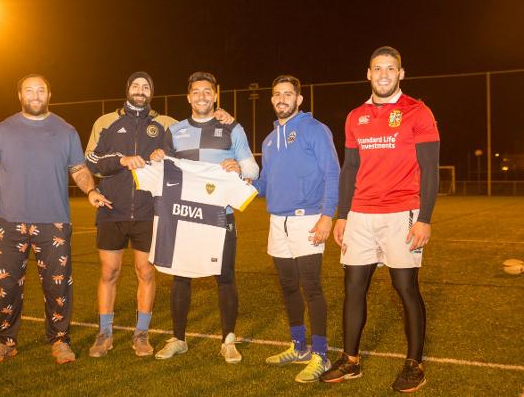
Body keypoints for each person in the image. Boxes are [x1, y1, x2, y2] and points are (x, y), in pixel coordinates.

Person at [84, 72, 235, 358]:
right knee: (108, 271)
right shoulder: (105, 122)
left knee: (146, 272)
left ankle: (141, 335)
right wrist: (120, 160)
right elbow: (90, 163)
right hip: (110, 208)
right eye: (135, 85)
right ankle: (104, 334)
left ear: (151, 92)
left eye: (146, 87)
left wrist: (221, 116)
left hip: (148, 210)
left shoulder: (166, 124)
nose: (140, 90)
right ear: (127, 89)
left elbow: (195, 129)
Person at [320, 46, 440, 393]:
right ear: (368, 74)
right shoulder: (355, 116)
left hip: (403, 213)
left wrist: (425, 218)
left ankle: (414, 365)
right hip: (360, 215)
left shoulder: (418, 112)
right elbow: (350, 169)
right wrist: (343, 215)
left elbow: (430, 170)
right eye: (378, 68)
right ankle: (351, 361)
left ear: (401, 74)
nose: (384, 74)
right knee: (353, 288)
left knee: (405, 288)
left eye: (391, 68)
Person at [0, 74, 109, 365]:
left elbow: (79, 169)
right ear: (19, 95)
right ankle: (4, 341)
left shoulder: (65, 130)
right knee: (5, 288)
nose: (35, 95)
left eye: (40, 90)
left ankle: (59, 341)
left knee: (58, 287)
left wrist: (91, 189)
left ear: (50, 94)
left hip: (53, 223)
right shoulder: (2, 130)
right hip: (9, 223)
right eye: (29, 90)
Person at [150, 71, 259, 363]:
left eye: (207, 91)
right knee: (180, 278)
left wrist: (237, 166)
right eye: (196, 92)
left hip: (219, 217)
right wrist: (157, 157)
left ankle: (228, 340)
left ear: (215, 95)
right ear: (188, 97)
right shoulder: (174, 131)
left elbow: (253, 171)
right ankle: (179, 338)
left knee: (225, 278)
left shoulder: (231, 128)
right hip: (184, 217)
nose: (201, 96)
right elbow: (163, 167)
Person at [253, 75, 339, 383]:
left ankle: (321, 354)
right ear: (272, 100)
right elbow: (264, 184)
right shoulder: (268, 139)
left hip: (308, 219)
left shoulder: (314, 130)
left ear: (299, 99)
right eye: (277, 94)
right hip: (278, 221)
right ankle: (299, 346)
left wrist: (327, 215)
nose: (282, 99)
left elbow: (332, 171)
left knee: (311, 287)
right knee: (288, 286)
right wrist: (239, 180)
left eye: (288, 94)